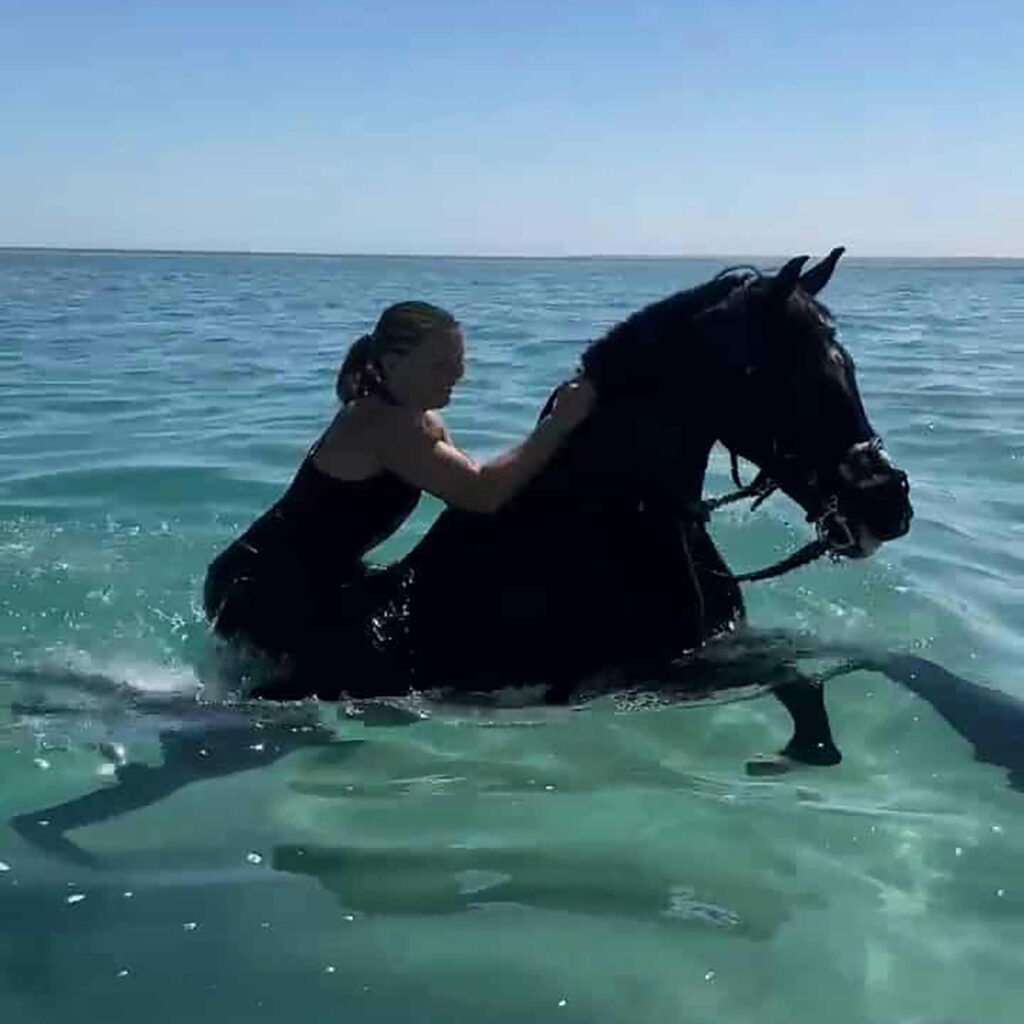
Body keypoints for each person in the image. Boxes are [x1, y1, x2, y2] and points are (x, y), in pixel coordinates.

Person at [203, 300, 595, 699]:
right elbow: (482, 494)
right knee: (345, 695)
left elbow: (476, 495)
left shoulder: (420, 422)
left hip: (317, 580)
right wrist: (557, 424)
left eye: (459, 362)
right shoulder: (379, 424)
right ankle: (197, 714)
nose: (456, 376)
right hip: (258, 588)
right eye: (440, 364)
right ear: (391, 364)